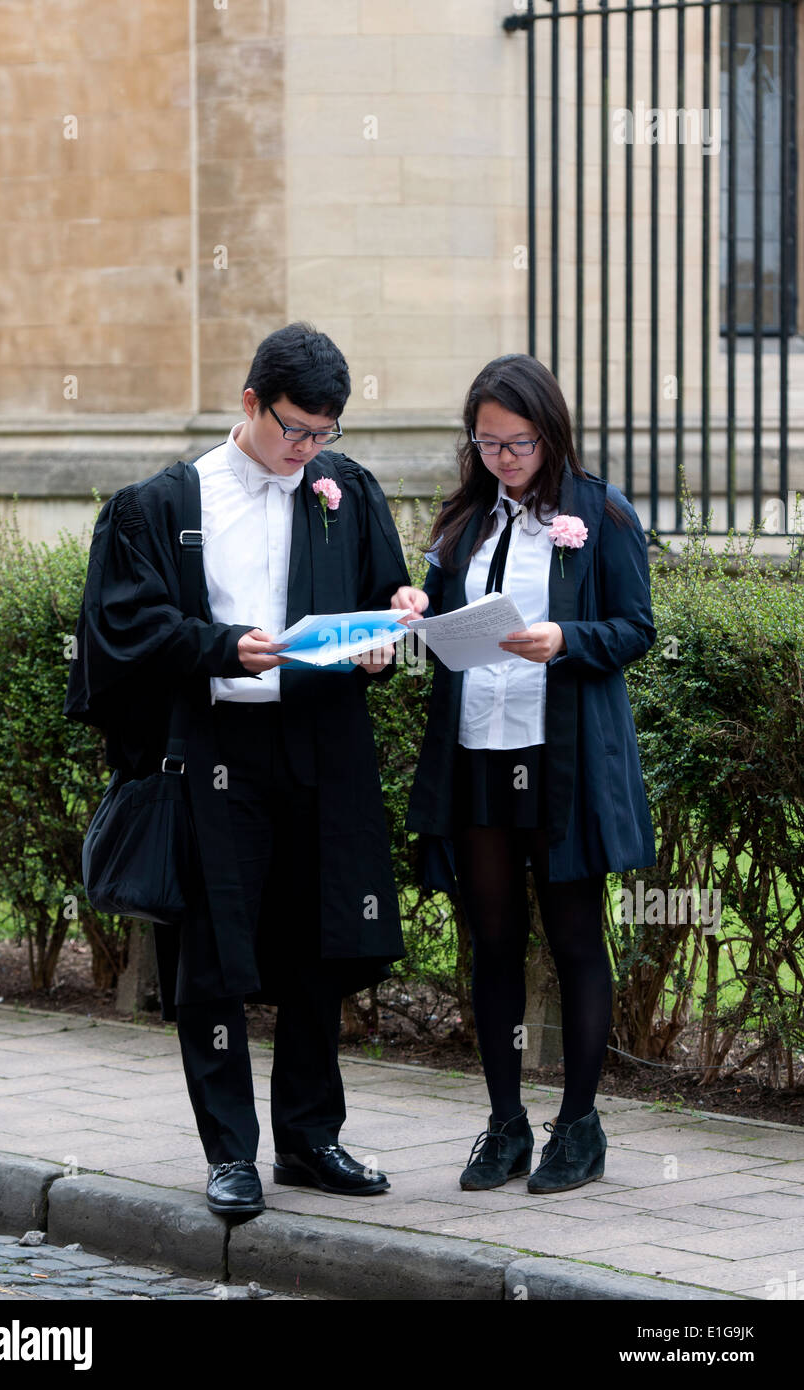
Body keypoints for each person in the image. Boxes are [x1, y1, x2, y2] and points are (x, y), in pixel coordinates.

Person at [65, 322, 411, 1221]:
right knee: (213, 960)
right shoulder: (165, 505)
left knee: (316, 948)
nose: (305, 451)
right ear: (250, 401)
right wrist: (226, 649)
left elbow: (386, 596)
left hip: (320, 749)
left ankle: (307, 1138)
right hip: (215, 754)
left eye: (322, 435)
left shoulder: (346, 490)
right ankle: (230, 1153)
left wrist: (388, 633)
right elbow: (124, 631)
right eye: (293, 429)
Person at [391, 354, 656, 1196]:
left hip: (558, 754)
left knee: (575, 939)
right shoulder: (464, 521)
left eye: (518, 443)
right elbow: (434, 615)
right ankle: (503, 1123)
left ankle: (578, 1126)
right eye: (488, 443)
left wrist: (565, 640)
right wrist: (412, 611)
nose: (503, 459)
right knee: (494, 941)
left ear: (550, 431)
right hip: (478, 749)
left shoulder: (598, 511)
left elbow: (634, 627)